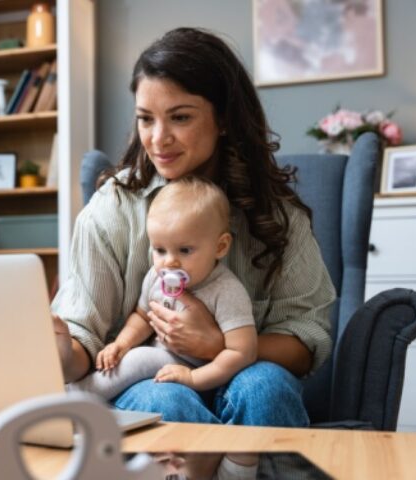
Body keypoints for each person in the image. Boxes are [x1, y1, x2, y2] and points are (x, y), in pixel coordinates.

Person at [51, 27, 336, 426]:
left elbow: (306, 340)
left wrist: (218, 345)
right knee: (167, 401)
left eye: (180, 117)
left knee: (266, 388)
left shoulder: (277, 213)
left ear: (223, 119)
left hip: (246, 373)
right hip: (150, 378)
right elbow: (84, 339)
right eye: (145, 120)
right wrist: (60, 348)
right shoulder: (111, 208)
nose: (158, 139)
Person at [70, 177, 257, 400]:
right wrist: (121, 344)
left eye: (185, 250)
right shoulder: (156, 277)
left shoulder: (227, 291)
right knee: (131, 357)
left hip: (203, 372)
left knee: (140, 359)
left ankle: (79, 397)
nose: (169, 262)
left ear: (220, 246)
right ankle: (82, 395)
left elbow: (243, 352)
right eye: (160, 250)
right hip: (164, 367)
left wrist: (194, 378)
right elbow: (142, 316)